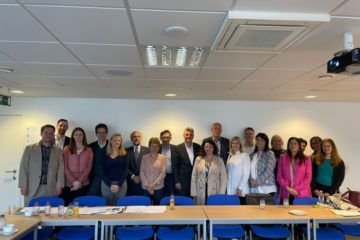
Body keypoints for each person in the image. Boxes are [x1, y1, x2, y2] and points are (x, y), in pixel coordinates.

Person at [18, 124, 64, 206]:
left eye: (51, 133)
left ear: (53, 135)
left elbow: (61, 170)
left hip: (50, 187)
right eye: (46, 133)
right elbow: (23, 167)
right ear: (41, 133)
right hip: (32, 187)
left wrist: (59, 185)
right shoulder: (29, 149)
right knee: (31, 212)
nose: (48, 135)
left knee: (49, 212)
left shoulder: (58, 151)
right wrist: (23, 185)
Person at [61, 127, 93, 205]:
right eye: (76, 135)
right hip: (69, 184)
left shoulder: (89, 150)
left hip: (83, 184)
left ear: (83, 136)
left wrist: (79, 182)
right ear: (73, 136)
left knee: (81, 206)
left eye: (80, 135)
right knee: (67, 206)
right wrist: (73, 182)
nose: (78, 137)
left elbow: (89, 167)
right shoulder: (67, 149)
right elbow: (65, 166)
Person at [191, 139, 227, 205]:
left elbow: (224, 178)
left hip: (215, 189)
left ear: (213, 148)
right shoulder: (198, 159)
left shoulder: (219, 160)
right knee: (201, 210)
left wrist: (221, 194)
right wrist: (194, 193)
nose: (208, 148)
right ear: (203, 148)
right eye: (206, 147)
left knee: (213, 211)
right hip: (201, 189)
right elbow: (194, 176)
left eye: (210, 146)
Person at [277, 137, 312, 204]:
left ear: (299, 146)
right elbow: (279, 176)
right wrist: (288, 188)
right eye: (290, 143)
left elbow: (308, 178)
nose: (293, 145)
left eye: (295, 143)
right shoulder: (282, 158)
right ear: (288, 146)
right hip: (286, 191)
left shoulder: (306, 159)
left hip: (301, 193)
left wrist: (294, 188)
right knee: (284, 213)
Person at [101, 133, 128, 205]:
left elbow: (125, 171)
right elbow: (101, 172)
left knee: (120, 206)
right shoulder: (105, 154)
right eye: (115, 140)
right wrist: (110, 185)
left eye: (119, 140)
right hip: (106, 184)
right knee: (108, 206)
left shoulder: (125, 154)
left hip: (121, 184)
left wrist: (118, 185)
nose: (117, 142)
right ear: (110, 141)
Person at [174, 127, 201, 196]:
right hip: (182, 181)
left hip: (196, 180)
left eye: (191, 135)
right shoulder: (177, 148)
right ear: (183, 135)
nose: (189, 136)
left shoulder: (198, 147)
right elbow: (175, 166)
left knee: (193, 201)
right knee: (182, 202)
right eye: (187, 134)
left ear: (193, 136)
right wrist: (177, 182)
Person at [140, 137, 166, 205]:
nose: (154, 148)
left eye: (156, 146)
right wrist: (148, 185)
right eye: (152, 146)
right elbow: (141, 172)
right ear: (149, 147)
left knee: (157, 206)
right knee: (146, 206)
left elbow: (163, 173)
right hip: (146, 186)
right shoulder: (144, 157)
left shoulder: (162, 158)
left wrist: (153, 185)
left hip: (158, 187)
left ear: (159, 147)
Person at [226, 136, 250, 204]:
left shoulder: (245, 155)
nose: (235, 145)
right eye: (233, 143)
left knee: (241, 212)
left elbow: (246, 174)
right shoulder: (230, 156)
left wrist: (240, 188)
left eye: (237, 143)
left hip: (240, 190)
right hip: (230, 189)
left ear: (240, 145)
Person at [88, 123, 109, 196]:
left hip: (108, 178)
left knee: (108, 202)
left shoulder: (112, 145)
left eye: (103, 132)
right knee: (94, 201)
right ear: (96, 134)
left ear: (106, 133)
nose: (101, 135)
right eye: (99, 133)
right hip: (95, 178)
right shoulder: (90, 146)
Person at [126, 131, 149, 196]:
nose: (136, 138)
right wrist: (133, 176)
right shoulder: (125, 151)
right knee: (130, 203)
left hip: (144, 182)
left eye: (138, 136)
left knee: (143, 203)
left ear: (141, 138)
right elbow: (124, 167)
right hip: (130, 182)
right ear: (131, 139)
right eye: (134, 137)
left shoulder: (148, 150)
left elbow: (149, 167)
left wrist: (141, 177)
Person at [159, 130, 177, 196]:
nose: (165, 139)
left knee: (171, 196)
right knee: (159, 196)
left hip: (171, 176)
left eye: (167, 137)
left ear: (170, 138)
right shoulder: (157, 148)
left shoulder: (175, 148)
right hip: (158, 177)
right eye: (163, 137)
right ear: (160, 138)